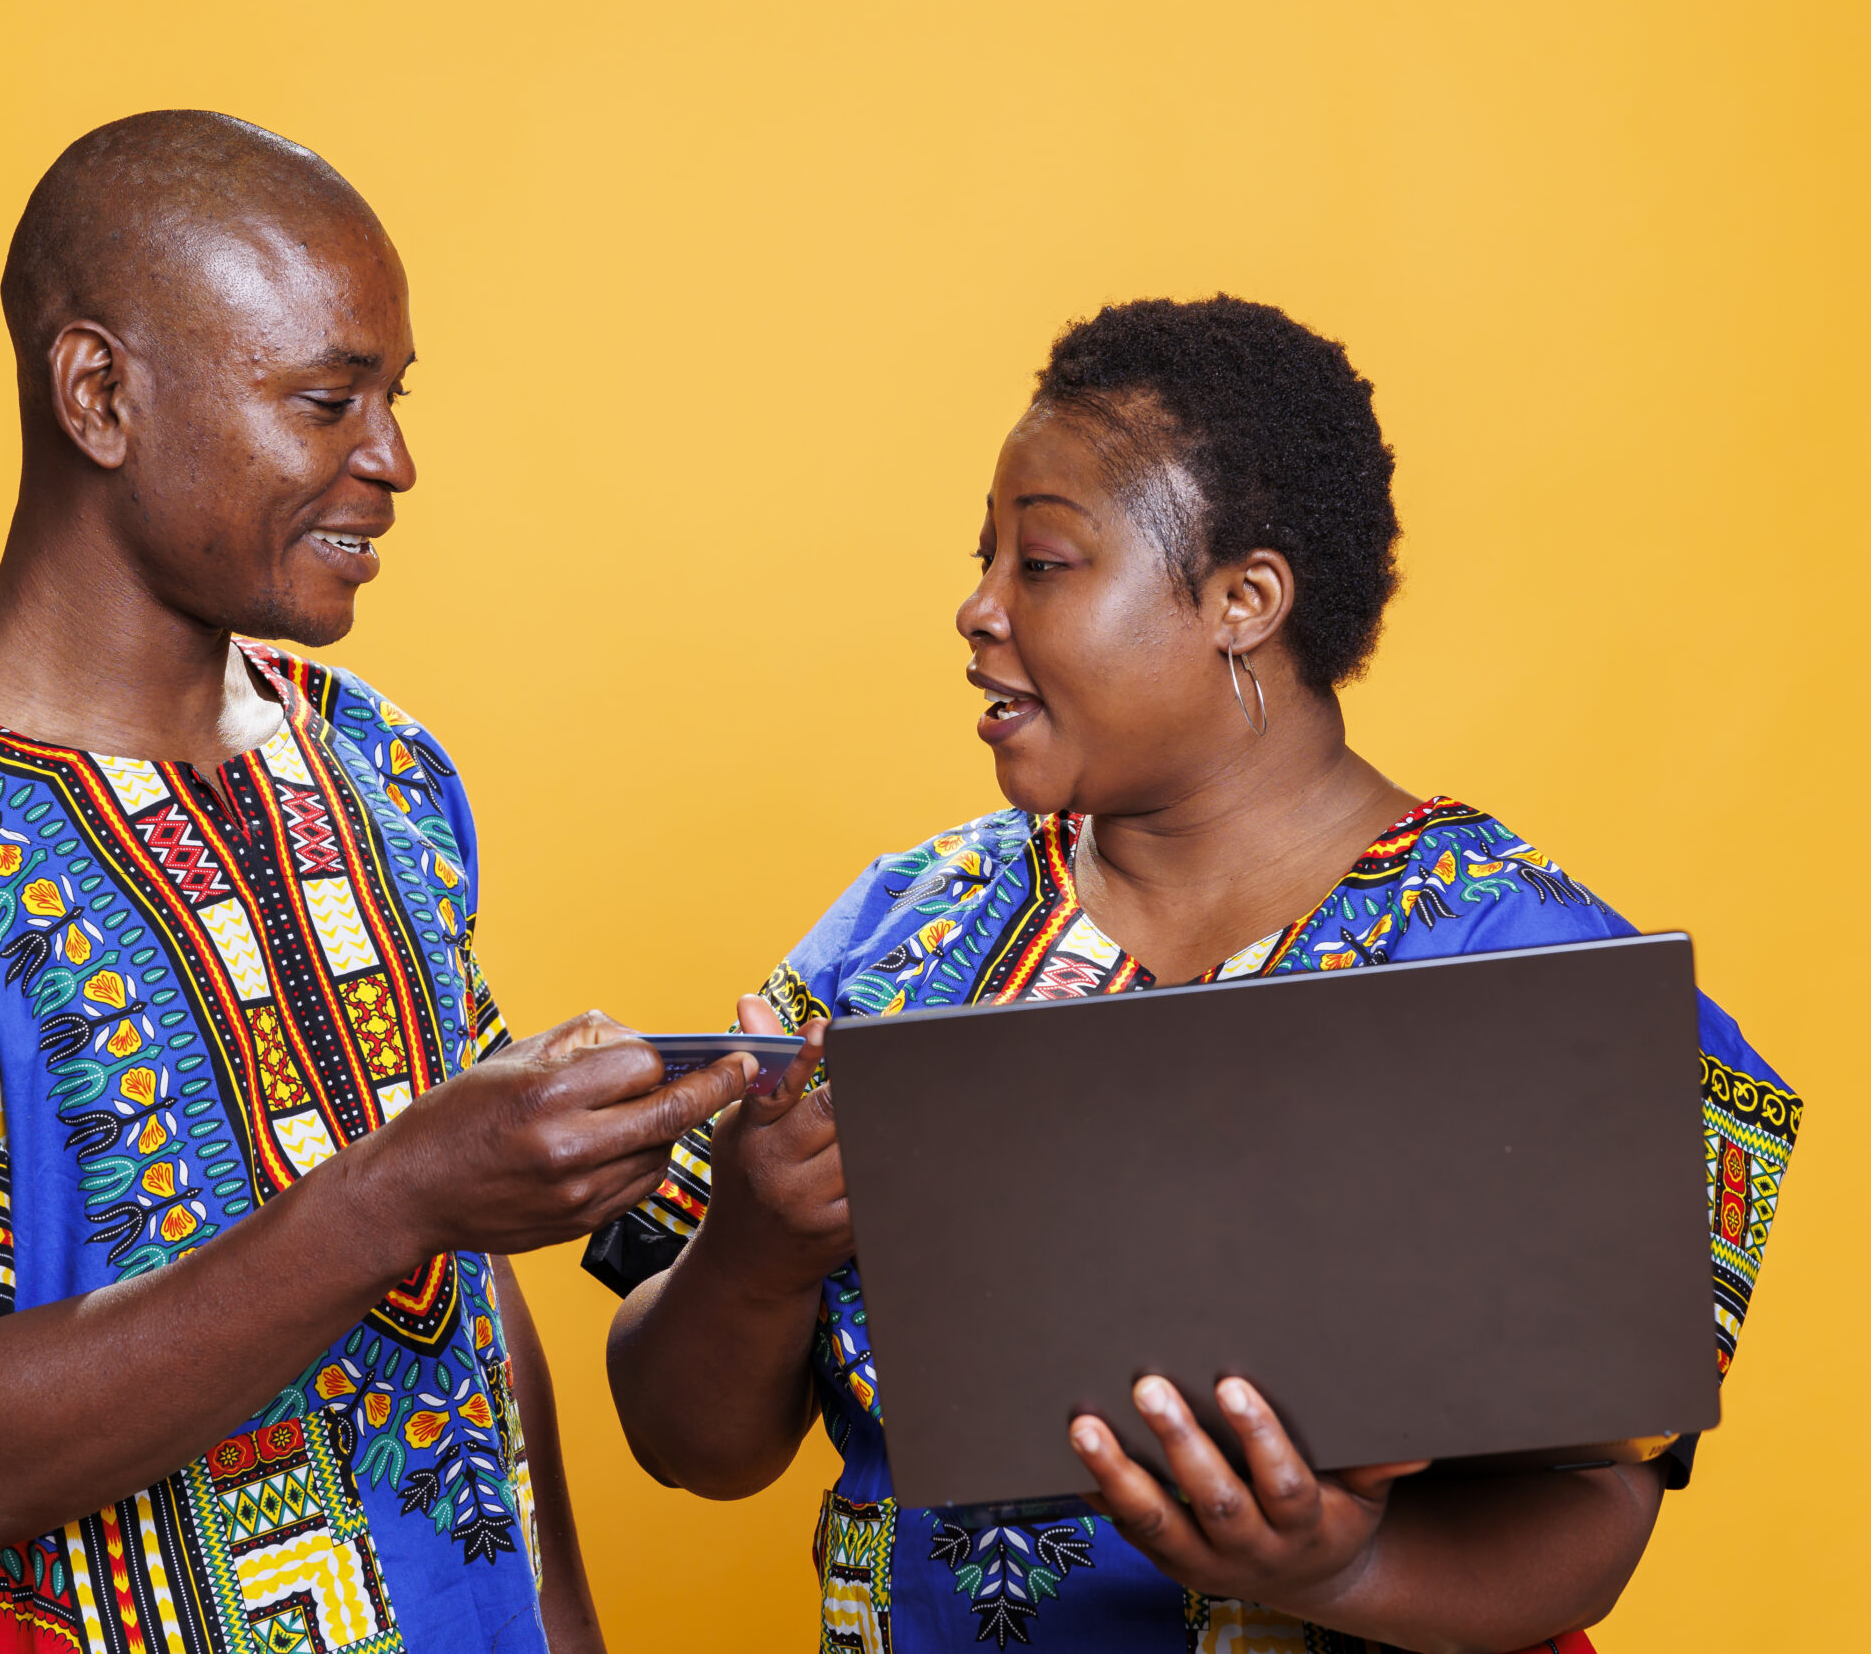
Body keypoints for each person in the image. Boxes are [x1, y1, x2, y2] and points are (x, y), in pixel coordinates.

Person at [593, 297, 1799, 1653]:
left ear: (1244, 602)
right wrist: (754, 1256)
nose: (977, 609)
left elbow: (1601, 1503)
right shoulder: (900, 941)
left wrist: (1341, 1577)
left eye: (1041, 563)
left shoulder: (1527, 974)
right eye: (984, 557)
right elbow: (689, 1446)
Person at [0, 111, 753, 1654]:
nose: (392, 461)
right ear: (100, 394)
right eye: (328, 401)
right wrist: (396, 1193)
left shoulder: (383, 768)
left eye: (392, 399)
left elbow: (470, 1308)